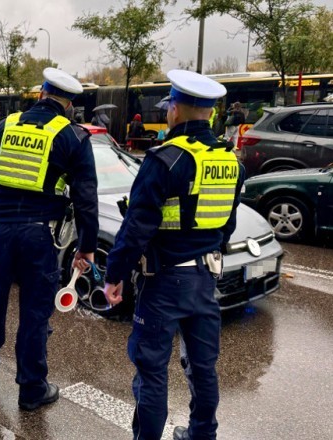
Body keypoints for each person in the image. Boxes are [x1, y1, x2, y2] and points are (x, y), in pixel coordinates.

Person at [103, 69, 244, 440]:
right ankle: (202, 434)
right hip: (206, 279)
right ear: (210, 113)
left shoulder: (166, 159)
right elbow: (226, 225)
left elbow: (136, 227)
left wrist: (115, 275)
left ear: (175, 110)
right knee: (203, 367)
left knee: (152, 371)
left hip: (164, 281)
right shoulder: (231, 162)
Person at [0, 68, 99, 411]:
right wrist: (86, 248)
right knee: (35, 313)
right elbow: (86, 198)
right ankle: (31, 389)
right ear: (68, 105)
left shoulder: (3, 127)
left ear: (40, 94)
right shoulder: (73, 136)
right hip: (40, 235)